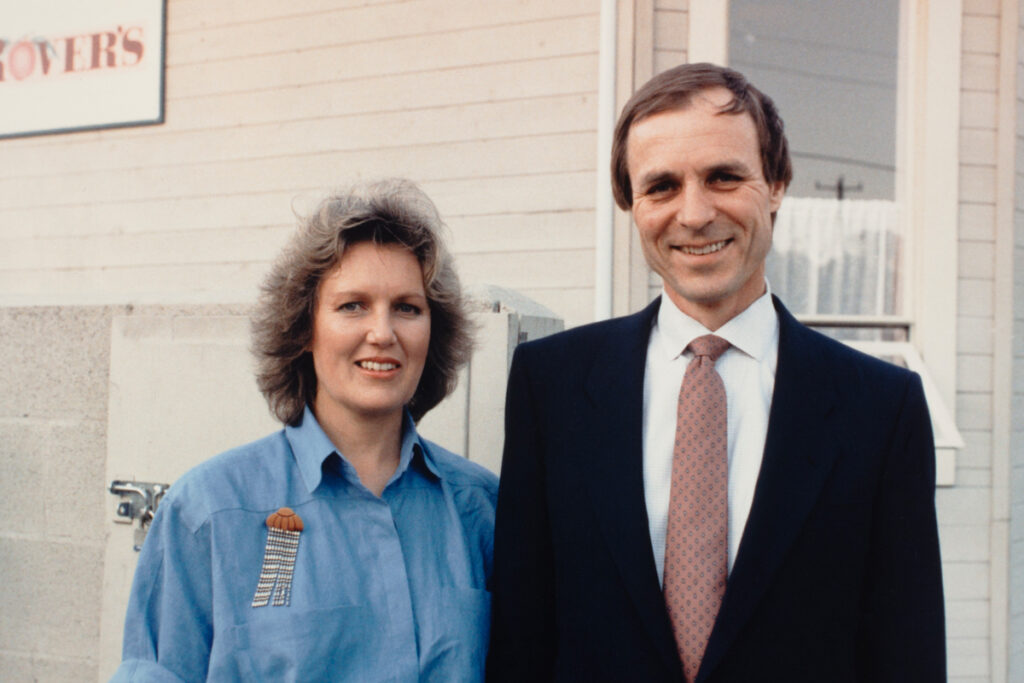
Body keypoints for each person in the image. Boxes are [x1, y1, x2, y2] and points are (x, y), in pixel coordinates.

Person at [487, 63, 945, 682]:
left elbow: (906, 654)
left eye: (723, 177)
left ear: (776, 184)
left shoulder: (881, 408)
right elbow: (522, 639)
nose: (695, 213)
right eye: (661, 186)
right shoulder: (552, 387)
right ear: (631, 204)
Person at [112, 179, 498, 682]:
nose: (382, 333)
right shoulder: (207, 511)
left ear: (434, 330)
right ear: (304, 330)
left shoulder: (482, 509)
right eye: (352, 305)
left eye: (407, 307)